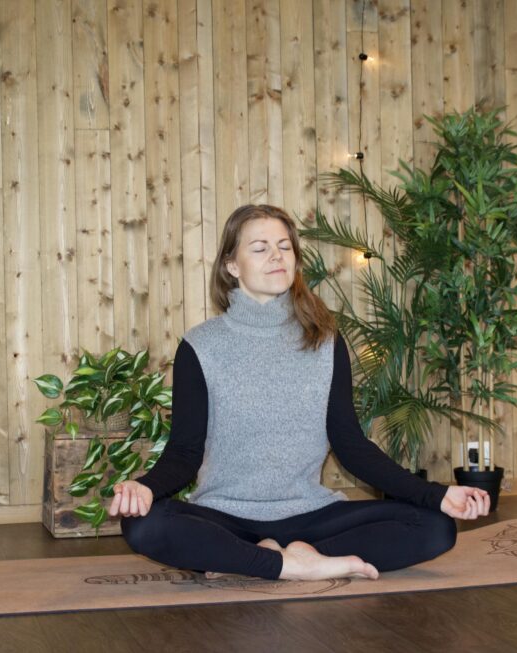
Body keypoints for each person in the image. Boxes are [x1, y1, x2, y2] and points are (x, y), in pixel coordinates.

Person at [110, 204, 490, 582]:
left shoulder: (325, 341)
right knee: (143, 524)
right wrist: (144, 488)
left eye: (284, 246)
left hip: (310, 517)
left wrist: (436, 495)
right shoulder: (200, 346)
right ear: (232, 266)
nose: (276, 256)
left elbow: (351, 447)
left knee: (434, 526)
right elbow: (184, 453)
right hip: (226, 517)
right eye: (260, 248)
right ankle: (291, 565)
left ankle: (258, 560)